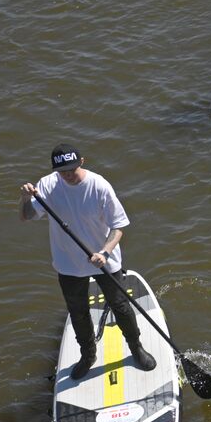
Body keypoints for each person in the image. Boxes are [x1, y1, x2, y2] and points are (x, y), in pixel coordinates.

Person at [20, 144, 156, 380]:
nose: (68, 175)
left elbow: (119, 225)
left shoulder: (99, 186)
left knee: (121, 306)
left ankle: (136, 348)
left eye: (72, 169)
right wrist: (24, 198)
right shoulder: (48, 185)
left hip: (104, 260)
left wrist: (104, 251)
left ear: (82, 161)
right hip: (68, 263)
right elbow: (26, 216)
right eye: (63, 172)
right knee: (77, 312)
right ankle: (88, 355)